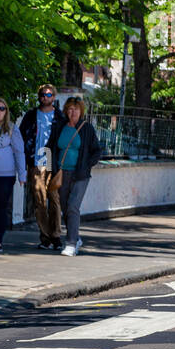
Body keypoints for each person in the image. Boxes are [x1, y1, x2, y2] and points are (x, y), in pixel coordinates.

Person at [50, 97, 102, 257]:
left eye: (76, 109)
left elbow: (97, 151)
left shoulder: (87, 129)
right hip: (61, 174)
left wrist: (86, 165)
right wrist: (48, 168)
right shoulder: (59, 127)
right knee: (65, 208)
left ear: (81, 111)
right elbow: (49, 147)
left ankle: (71, 244)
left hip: (80, 175)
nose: (73, 112)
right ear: (66, 111)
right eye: (70, 109)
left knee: (73, 206)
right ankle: (76, 238)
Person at [18, 83, 66, 250]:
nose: (46, 97)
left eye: (49, 95)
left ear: (54, 97)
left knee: (54, 199)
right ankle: (45, 236)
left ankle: (56, 235)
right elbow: (22, 136)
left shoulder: (60, 117)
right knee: (39, 201)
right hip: (36, 161)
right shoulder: (31, 115)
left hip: (53, 161)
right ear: (39, 97)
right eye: (44, 95)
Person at [0, 96, 26, 253]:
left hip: (5, 176)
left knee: (0, 207)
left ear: (6, 111)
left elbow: (19, 152)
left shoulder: (12, 128)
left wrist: (22, 175)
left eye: (2, 108)